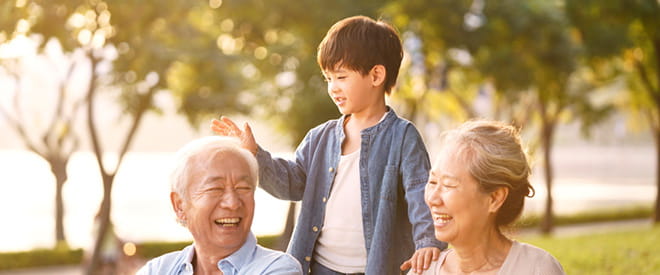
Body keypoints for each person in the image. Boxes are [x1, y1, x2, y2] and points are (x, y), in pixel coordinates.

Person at [211, 15, 446, 275]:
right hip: (319, 268)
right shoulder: (319, 138)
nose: (333, 88)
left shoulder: (403, 137)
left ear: (376, 75)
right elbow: (292, 182)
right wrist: (255, 154)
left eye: (341, 77)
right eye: (328, 79)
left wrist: (427, 241)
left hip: (376, 268)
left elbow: (420, 193)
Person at [136, 136, 302, 275]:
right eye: (215, 189)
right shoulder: (158, 269)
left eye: (243, 188)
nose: (232, 203)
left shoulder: (279, 269)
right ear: (179, 205)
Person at [417, 120, 565, 274]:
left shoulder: (537, 269)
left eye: (448, 185)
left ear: (494, 198)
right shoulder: (421, 271)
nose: (432, 199)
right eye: (433, 182)